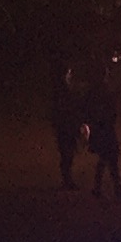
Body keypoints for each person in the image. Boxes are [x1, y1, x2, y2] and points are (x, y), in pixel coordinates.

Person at [84, 62, 121, 200]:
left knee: (104, 158)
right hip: (104, 128)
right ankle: (116, 190)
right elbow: (106, 108)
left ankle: (98, 188)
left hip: (100, 128)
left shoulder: (94, 91)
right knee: (111, 158)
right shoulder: (100, 91)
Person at [49, 60, 82, 189]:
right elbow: (63, 108)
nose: (70, 74)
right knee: (67, 153)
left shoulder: (64, 88)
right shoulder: (63, 90)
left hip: (66, 124)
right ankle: (67, 180)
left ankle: (67, 179)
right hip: (65, 125)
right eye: (68, 72)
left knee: (68, 152)